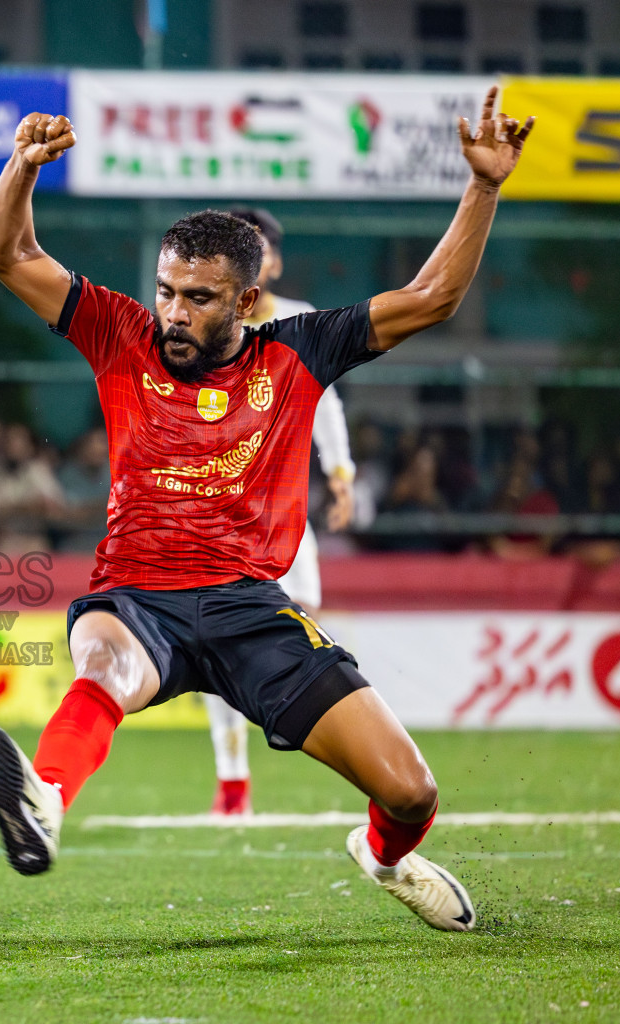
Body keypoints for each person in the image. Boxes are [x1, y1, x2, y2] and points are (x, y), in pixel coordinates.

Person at [0, 87, 533, 932]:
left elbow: (432, 298)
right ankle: (43, 801)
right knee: (101, 667)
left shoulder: (300, 350)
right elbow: (6, 256)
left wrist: (483, 187)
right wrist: (22, 167)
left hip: (251, 609)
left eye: (198, 297)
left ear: (245, 300)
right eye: (166, 290)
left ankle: (383, 857)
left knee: (412, 789)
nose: (174, 312)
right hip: (138, 596)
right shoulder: (121, 334)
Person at [194, 207, 358, 815]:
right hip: (216, 515)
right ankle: (232, 779)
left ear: (275, 261)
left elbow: (329, 401)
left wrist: (340, 471)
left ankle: (344, 745)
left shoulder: (299, 322)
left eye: (255, 249)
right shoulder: (200, 326)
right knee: (214, 644)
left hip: (286, 513)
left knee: (304, 634)